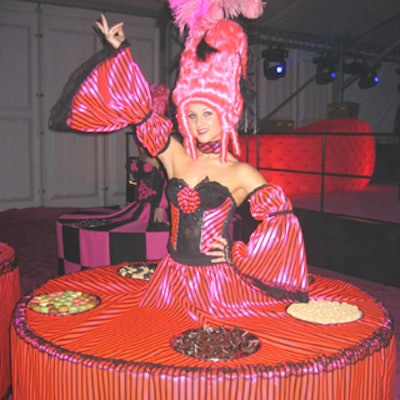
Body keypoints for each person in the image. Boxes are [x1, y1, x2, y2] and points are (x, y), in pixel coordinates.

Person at [50, 9, 308, 324]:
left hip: (216, 284)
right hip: (171, 277)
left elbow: (282, 221)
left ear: (225, 114)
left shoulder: (241, 172)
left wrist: (239, 254)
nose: (199, 123)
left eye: (207, 114)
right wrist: (121, 51)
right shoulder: (176, 155)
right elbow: (141, 113)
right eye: (192, 114)